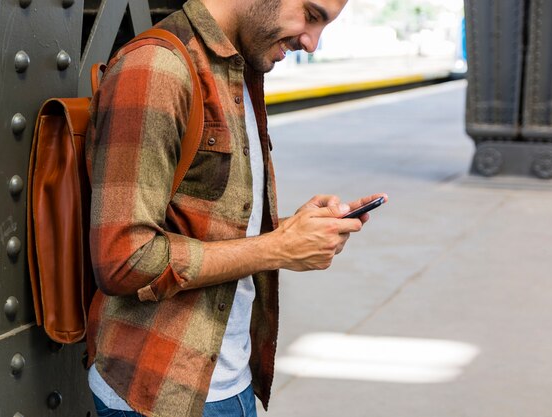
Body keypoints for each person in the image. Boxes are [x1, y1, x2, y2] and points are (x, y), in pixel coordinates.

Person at [85, 0, 387, 416]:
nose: (312, 43)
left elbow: (209, 227)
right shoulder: (157, 67)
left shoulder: (238, 70)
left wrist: (293, 230)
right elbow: (123, 258)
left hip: (229, 381)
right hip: (160, 395)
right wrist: (277, 249)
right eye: (312, 15)